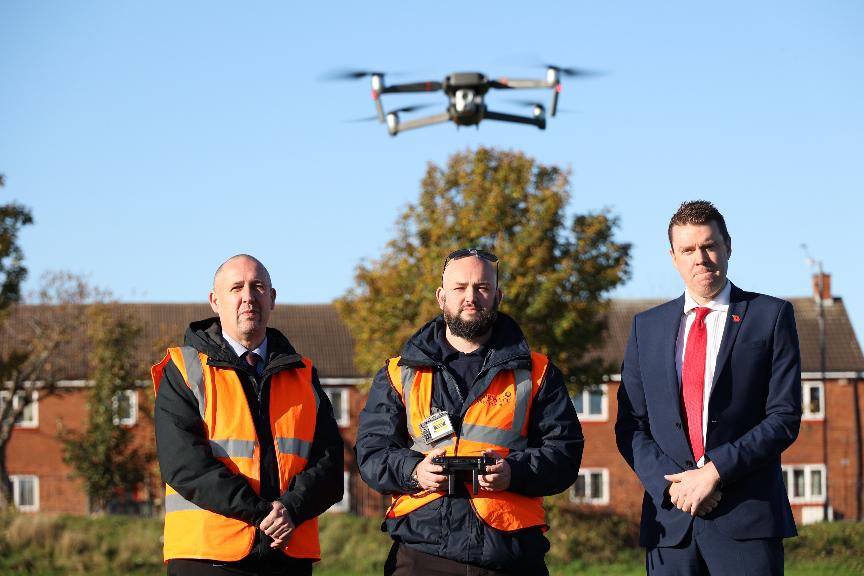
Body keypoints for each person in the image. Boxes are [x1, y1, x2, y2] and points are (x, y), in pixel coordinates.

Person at [355, 248, 584, 576]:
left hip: (509, 551)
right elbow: (371, 454)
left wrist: (513, 473)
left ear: (498, 296)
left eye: (482, 288)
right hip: (421, 551)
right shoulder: (398, 373)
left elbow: (565, 455)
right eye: (460, 287)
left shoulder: (538, 372)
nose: (470, 297)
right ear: (441, 296)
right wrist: (415, 471)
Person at [615, 201, 802, 575]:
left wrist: (713, 473)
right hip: (671, 526)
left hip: (746, 522)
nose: (700, 258)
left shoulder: (771, 316)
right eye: (687, 250)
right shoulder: (645, 328)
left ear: (728, 246)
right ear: (673, 257)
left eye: (709, 245)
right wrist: (675, 489)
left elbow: (783, 417)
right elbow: (630, 425)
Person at [152, 254, 344, 576]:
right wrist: (262, 515)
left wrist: (291, 510)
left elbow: (330, 462)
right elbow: (184, 464)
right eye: (236, 288)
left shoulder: (303, 374)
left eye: (257, 287)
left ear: (272, 298)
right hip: (207, 557)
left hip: (287, 556)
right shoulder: (184, 370)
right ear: (215, 301)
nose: (248, 297)